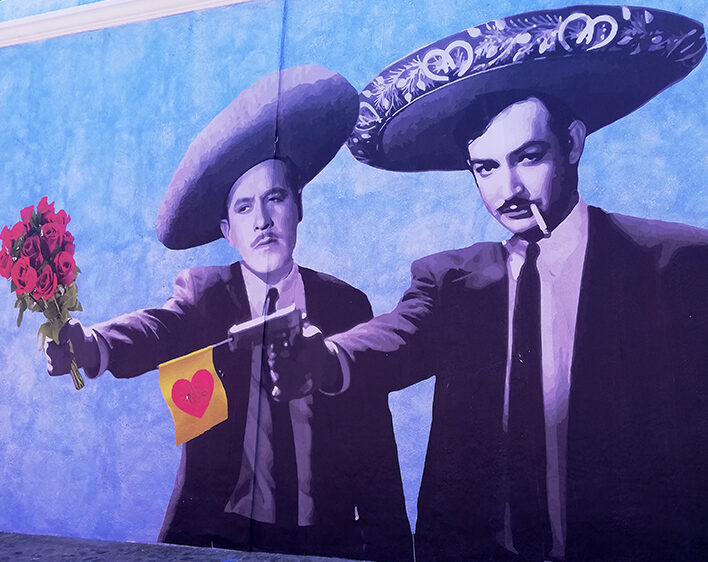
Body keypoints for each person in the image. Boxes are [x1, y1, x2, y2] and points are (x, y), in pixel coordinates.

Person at [270, 7, 708, 561]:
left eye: (528, 158)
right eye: (486, 168)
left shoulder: (677, 263)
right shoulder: (451, 279)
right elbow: (397, 337)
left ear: (573, 143)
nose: (509, 189)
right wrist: (324, 357)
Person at [44, 65, 412, 561]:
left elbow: (374, 451)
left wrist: (392, 550)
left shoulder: (347, 306)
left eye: (275, 198)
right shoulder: (204, 295)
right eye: (243, 209)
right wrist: (93, 345)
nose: (262, 221)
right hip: (222, 537)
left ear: (297, 207)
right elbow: (158, 328)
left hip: (325, 540)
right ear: (226, 230)